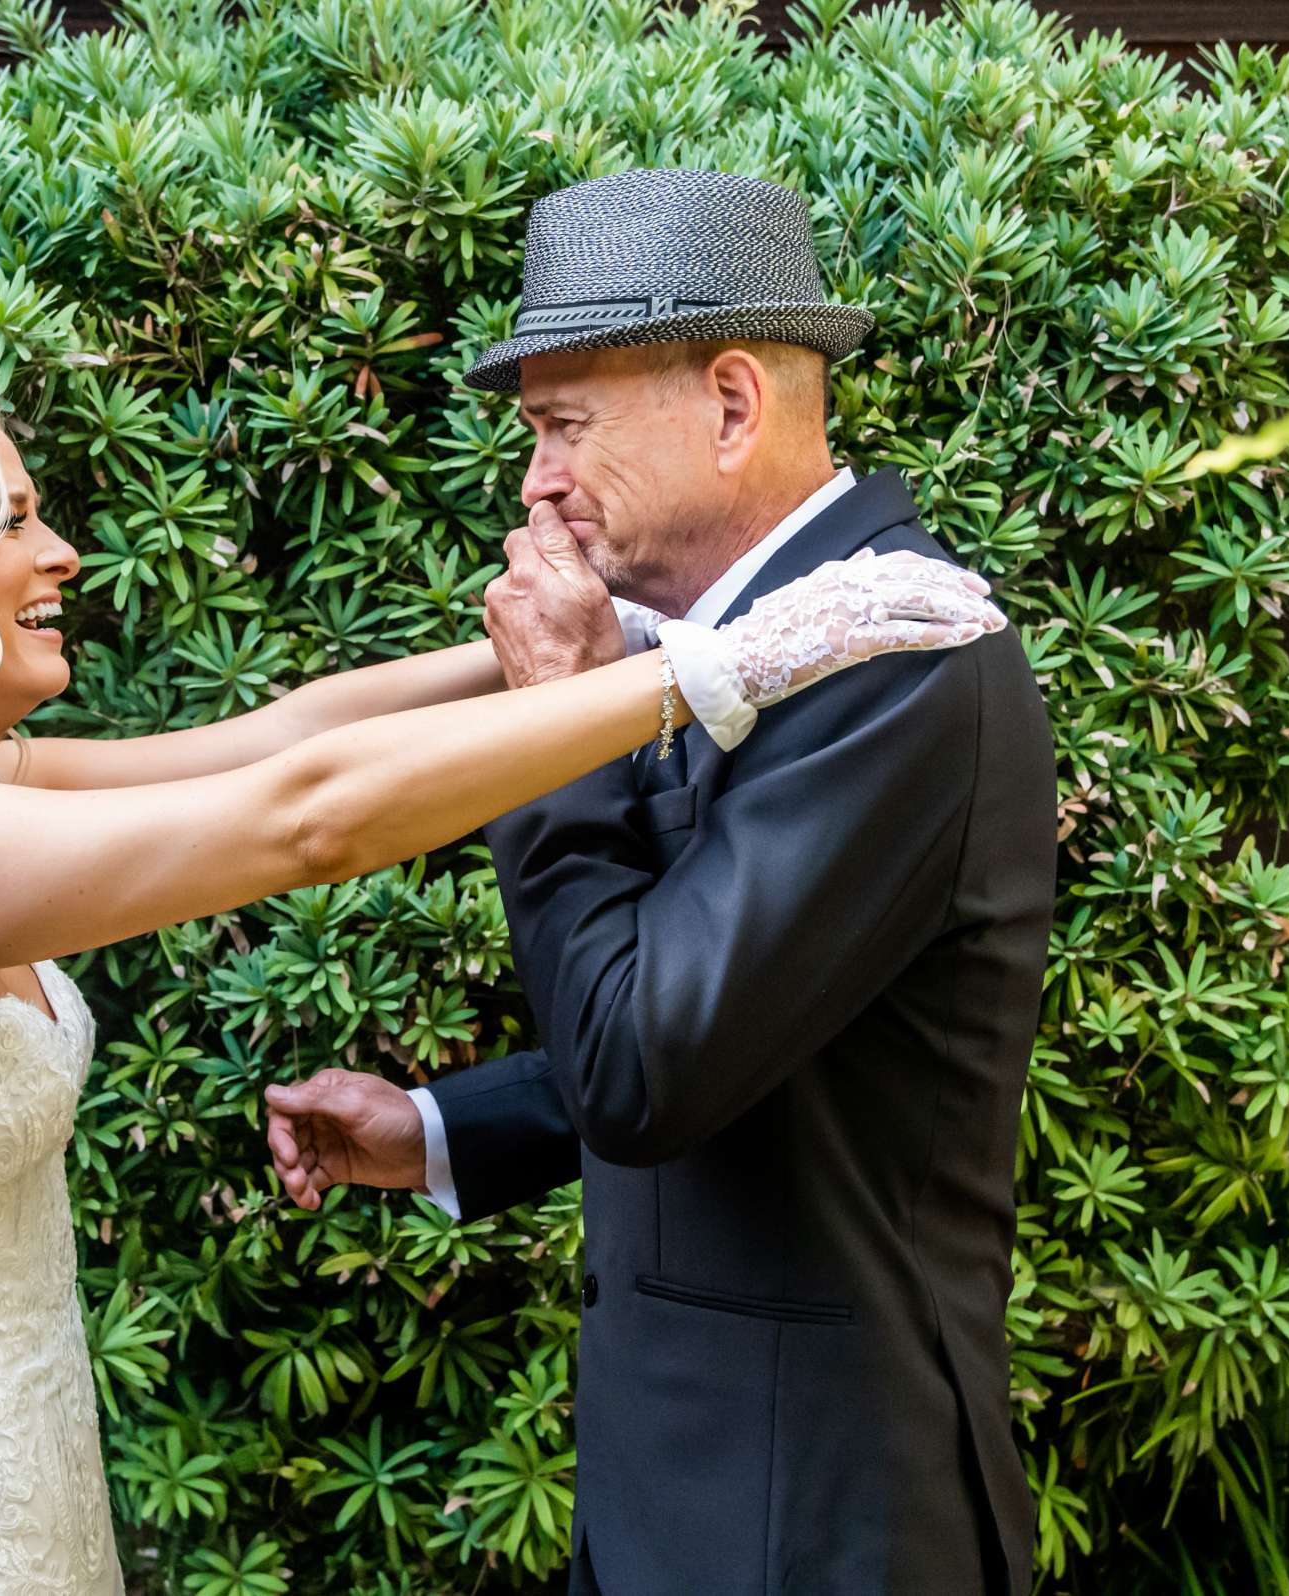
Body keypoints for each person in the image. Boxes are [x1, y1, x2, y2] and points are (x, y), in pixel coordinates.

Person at [0, 371, 1001, 1592]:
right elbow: (304, 820)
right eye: (5, 524)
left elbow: (290, 733)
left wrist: (631, 631)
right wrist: (721, 671)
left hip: (29, 1521)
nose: (61, 550)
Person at [262, 169, 1058, 1595]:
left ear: (735, 404)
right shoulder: (726, 646)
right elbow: (739, 1015)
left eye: (563, 426)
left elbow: (649, 1062)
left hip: (814, 1524)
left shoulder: (893, 658)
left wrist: (545, 726)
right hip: (685, 1509)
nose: (534, 480)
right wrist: (446, 1129)